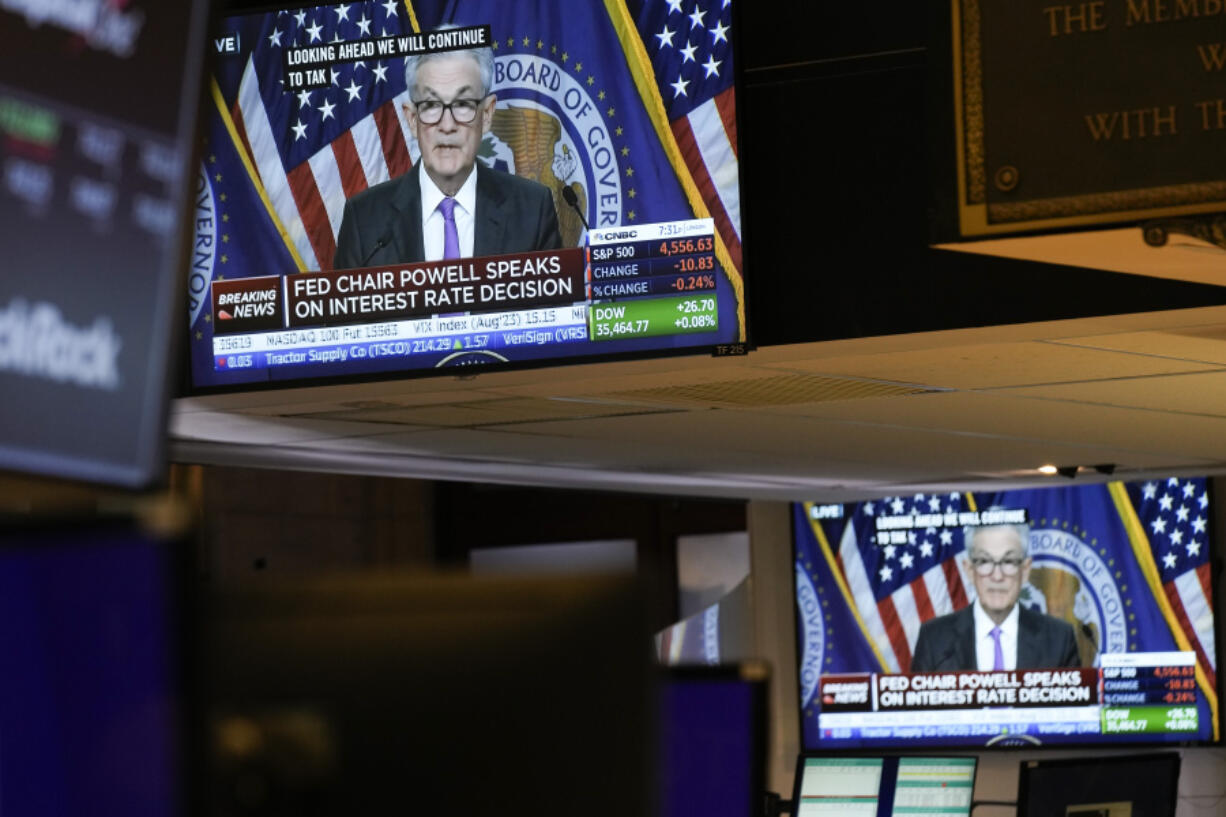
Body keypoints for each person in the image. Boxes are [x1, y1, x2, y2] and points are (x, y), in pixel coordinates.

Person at [333, 38, 562, 269]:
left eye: (463, 103)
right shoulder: (364, 220)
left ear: (487, 115)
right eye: (431, 105)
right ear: (412, 119)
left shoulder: (533, 211)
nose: (447, 125)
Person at [909, 521, 1080, 672]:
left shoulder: (1059, 640)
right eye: (984, 562)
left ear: (1025, 570)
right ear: (969, 570)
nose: (997, 576)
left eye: (1008, 561)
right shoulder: (934, 640)